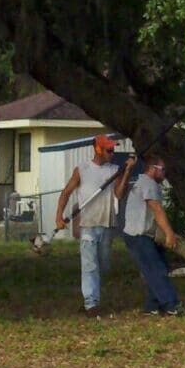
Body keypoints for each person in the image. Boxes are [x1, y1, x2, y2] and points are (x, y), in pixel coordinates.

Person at [53, 133, 124, 314]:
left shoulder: (114, 170)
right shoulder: (82, 169)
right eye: (109, 150)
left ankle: (96, 298)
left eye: (113, 149)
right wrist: (59, 216)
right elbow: (66, 192)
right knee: (89, 265)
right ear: (98, 150)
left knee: (103, 265)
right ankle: (91, 303)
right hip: (88, 225)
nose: (112, 153)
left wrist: (128, 171)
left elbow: (119, 194)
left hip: (107, 224)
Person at [120, 152, 182, 316]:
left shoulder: (146, 183)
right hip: (137, 236)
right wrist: (169, 234)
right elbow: (157, 210)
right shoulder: (148, 184)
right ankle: (172, 305)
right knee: (156, 270)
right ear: (153, 169)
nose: (164, 173)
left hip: (145, 234)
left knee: (160, 266)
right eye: (163, 169)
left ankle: (152, 306)